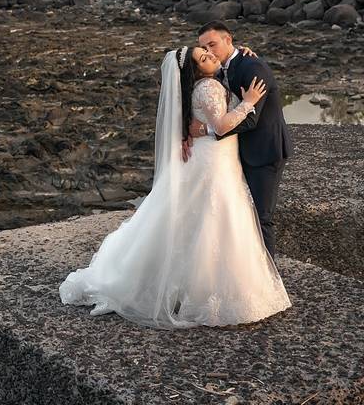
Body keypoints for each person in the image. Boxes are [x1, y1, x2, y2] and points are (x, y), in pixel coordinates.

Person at [59, 44, 290, 328]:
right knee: (214, 218)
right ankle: (204, 288)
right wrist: (248, 102)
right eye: (204, 58)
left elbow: (210, 119)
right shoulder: (208, 87)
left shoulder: (207, 83)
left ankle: (188, 283)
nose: (211, 56)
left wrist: (242, 50)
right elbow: (220, 126)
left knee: (201, 219)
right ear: (196, 71)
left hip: (215, 158)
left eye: (209, 52)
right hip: (214, 162)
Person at [190, 21, 291, 259]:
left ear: (228, 40)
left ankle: (269, 275)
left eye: (213, 44)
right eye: (204, 49)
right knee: (239, 215)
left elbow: (250, 120)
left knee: (260, 217)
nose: (209, 52)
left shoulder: (253, 67)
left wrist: (205, 129)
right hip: (236, 154)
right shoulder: (219, 70)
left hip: (264, 152)